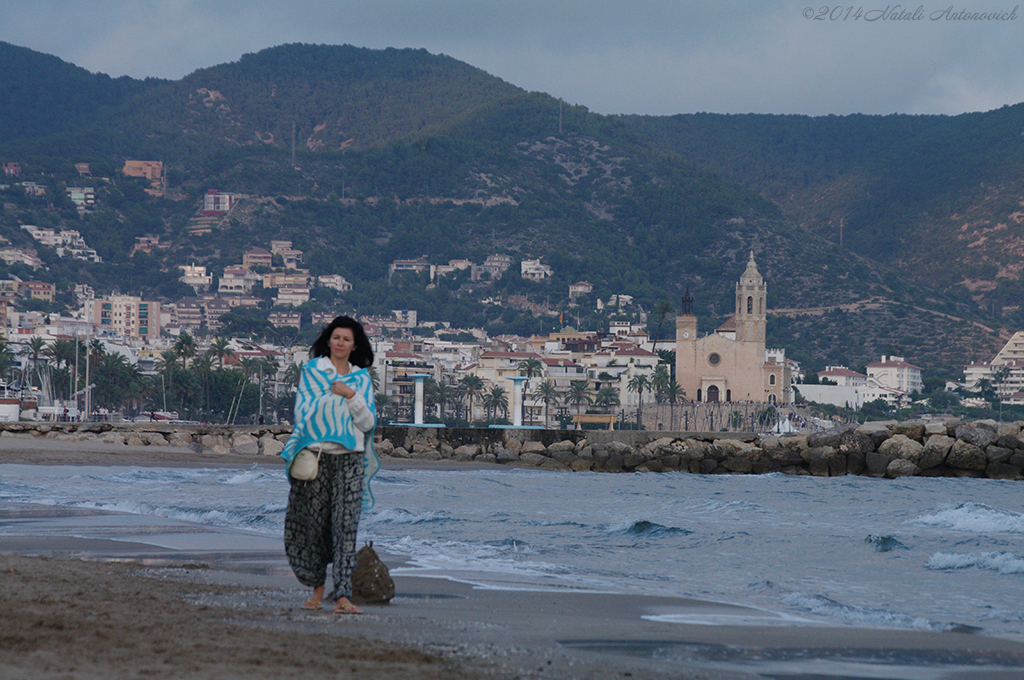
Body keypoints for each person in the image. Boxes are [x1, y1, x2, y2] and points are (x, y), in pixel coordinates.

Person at [280, 316, 378, 614]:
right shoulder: (311, 371)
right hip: (317, 456)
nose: (340, 343)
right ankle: (318, 589)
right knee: (315, 526)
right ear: (328, 340)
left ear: (354, 345)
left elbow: (368, 422)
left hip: (351, 458)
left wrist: (349, 395)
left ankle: (342, 596)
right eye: (336, 337)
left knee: (346, 527)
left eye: (346, 339)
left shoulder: (361, 380)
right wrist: (333, 403)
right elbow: (304, 411)